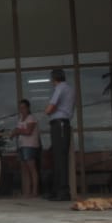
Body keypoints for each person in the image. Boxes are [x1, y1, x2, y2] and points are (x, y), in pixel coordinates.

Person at [44, 69, 76, 201]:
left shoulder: (60, 88)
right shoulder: (70, 88)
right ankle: (57, 190)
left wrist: (48, 110)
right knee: (59, 157)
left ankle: (62, 191)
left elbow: (49, 108)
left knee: (60, 159)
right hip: (63, 123)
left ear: (54, 79)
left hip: (59, 124)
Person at [11, 99, 41, 198]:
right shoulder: (20, 119)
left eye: (23, 107)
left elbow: (28, 132)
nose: (21, 110)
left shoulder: (31, 118)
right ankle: (27, 191)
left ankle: (35, 191)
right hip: (22, 145)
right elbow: (18, 132)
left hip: (30, 145)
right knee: (25, 169)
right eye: (20, 108)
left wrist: (18, 131)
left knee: (32, 168)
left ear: (28, 108)